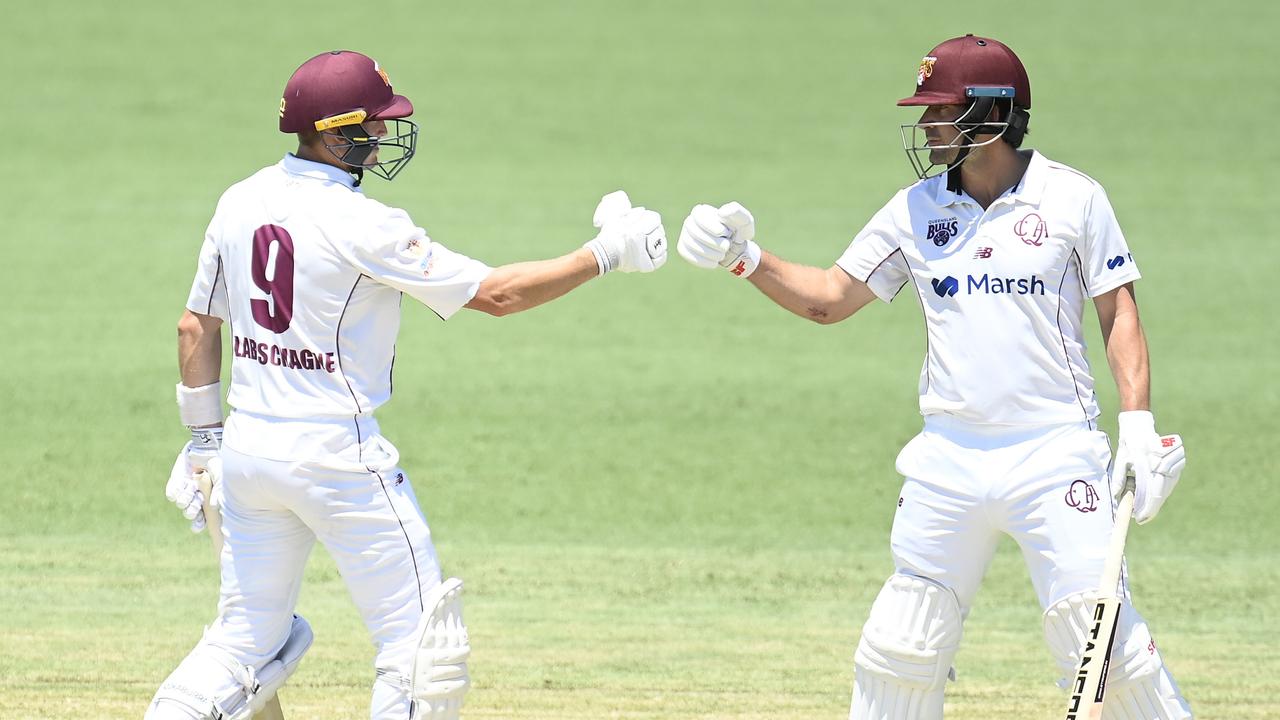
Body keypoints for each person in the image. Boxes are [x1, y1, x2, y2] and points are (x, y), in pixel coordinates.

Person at [677, 34, 1192, 719]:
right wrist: (744, 258)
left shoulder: (1074, 200)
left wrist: (1136, 425)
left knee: (1103, 649)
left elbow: (1117, 308)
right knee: (900, 648)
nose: (925, 126)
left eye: (939, 110)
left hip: (1055, 453)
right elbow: (831, 297)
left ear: (992, 113)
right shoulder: (915, 209)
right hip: (947, 458)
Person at [150, 49, 667, 720]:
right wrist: (605, 254)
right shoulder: (364, 224)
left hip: (248, 454)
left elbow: (195, 329)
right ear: (335, 133)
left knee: (241, 642)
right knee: (424, 651)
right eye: (374, 125)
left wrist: (203, 444)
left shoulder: (239, 200)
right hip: (337, 458)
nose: (386, 136)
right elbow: (498, 296)